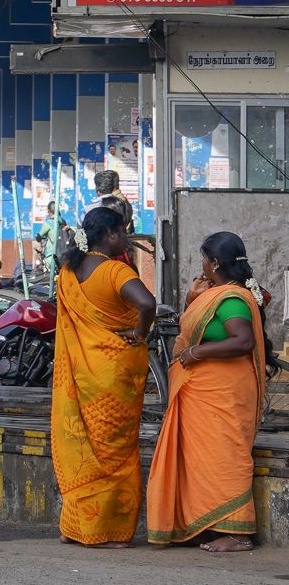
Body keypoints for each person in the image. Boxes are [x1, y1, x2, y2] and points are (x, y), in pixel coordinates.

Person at [147, 231, 267, 552]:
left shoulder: (231, 299)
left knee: (225, 456)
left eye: (203, 258)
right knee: (200, 458)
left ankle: (240, 533)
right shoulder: (216, 294)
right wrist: (190, 300)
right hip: (202, 391)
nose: (201, 264)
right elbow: (196, 327)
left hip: (223, 392)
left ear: (213, 262)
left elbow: (242, 342)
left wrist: (197, 354)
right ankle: (205, 523)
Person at [52, 207, 155, 548]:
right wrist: (140, 335)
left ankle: (75, 526)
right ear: (110, 234)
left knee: (85, 445)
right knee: (116, 452)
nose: (126, 239)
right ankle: (107, 531)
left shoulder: (69, 271)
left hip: (83, 375)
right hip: (113, 380)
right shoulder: (114, 271)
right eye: (124, 232)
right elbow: (148, 303)